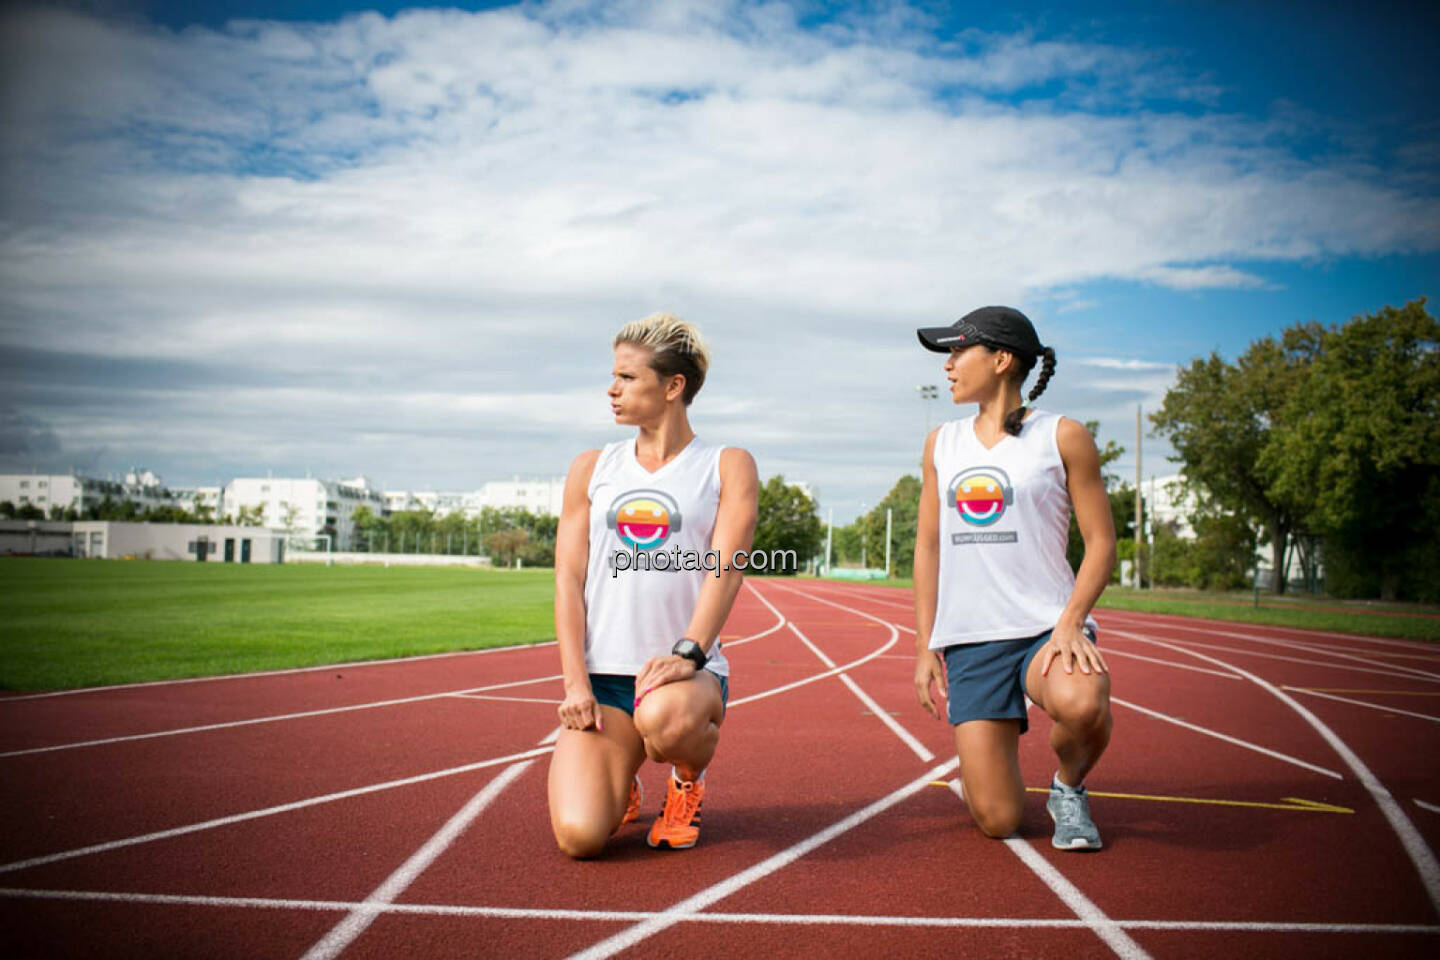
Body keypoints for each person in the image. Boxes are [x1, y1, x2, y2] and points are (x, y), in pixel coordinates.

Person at [547, 312, 758, 858]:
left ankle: (687, 780)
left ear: (673, 386)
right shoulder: (592, 468)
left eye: (627, 378)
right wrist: (576, 683)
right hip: (605, 684)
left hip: (684, 680)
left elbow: (726, 566)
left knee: (663, 716)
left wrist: (689, 653)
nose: (611, 390)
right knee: (579, 838)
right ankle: (619, 779)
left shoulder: (726, 466)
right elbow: (569, 578)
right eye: (613, 377)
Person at [912, 305, 1117, 850]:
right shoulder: (942, 443)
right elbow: (928, 545)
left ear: (1002, 360)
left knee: (1083, 702)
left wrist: (1071, 623)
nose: (948, 365)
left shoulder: (1063, 436)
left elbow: (1101, 543)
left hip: (1046, 629)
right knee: (999, 821)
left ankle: (1068, 787)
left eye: (958, 352)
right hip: (972, 640)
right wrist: (926, 644)